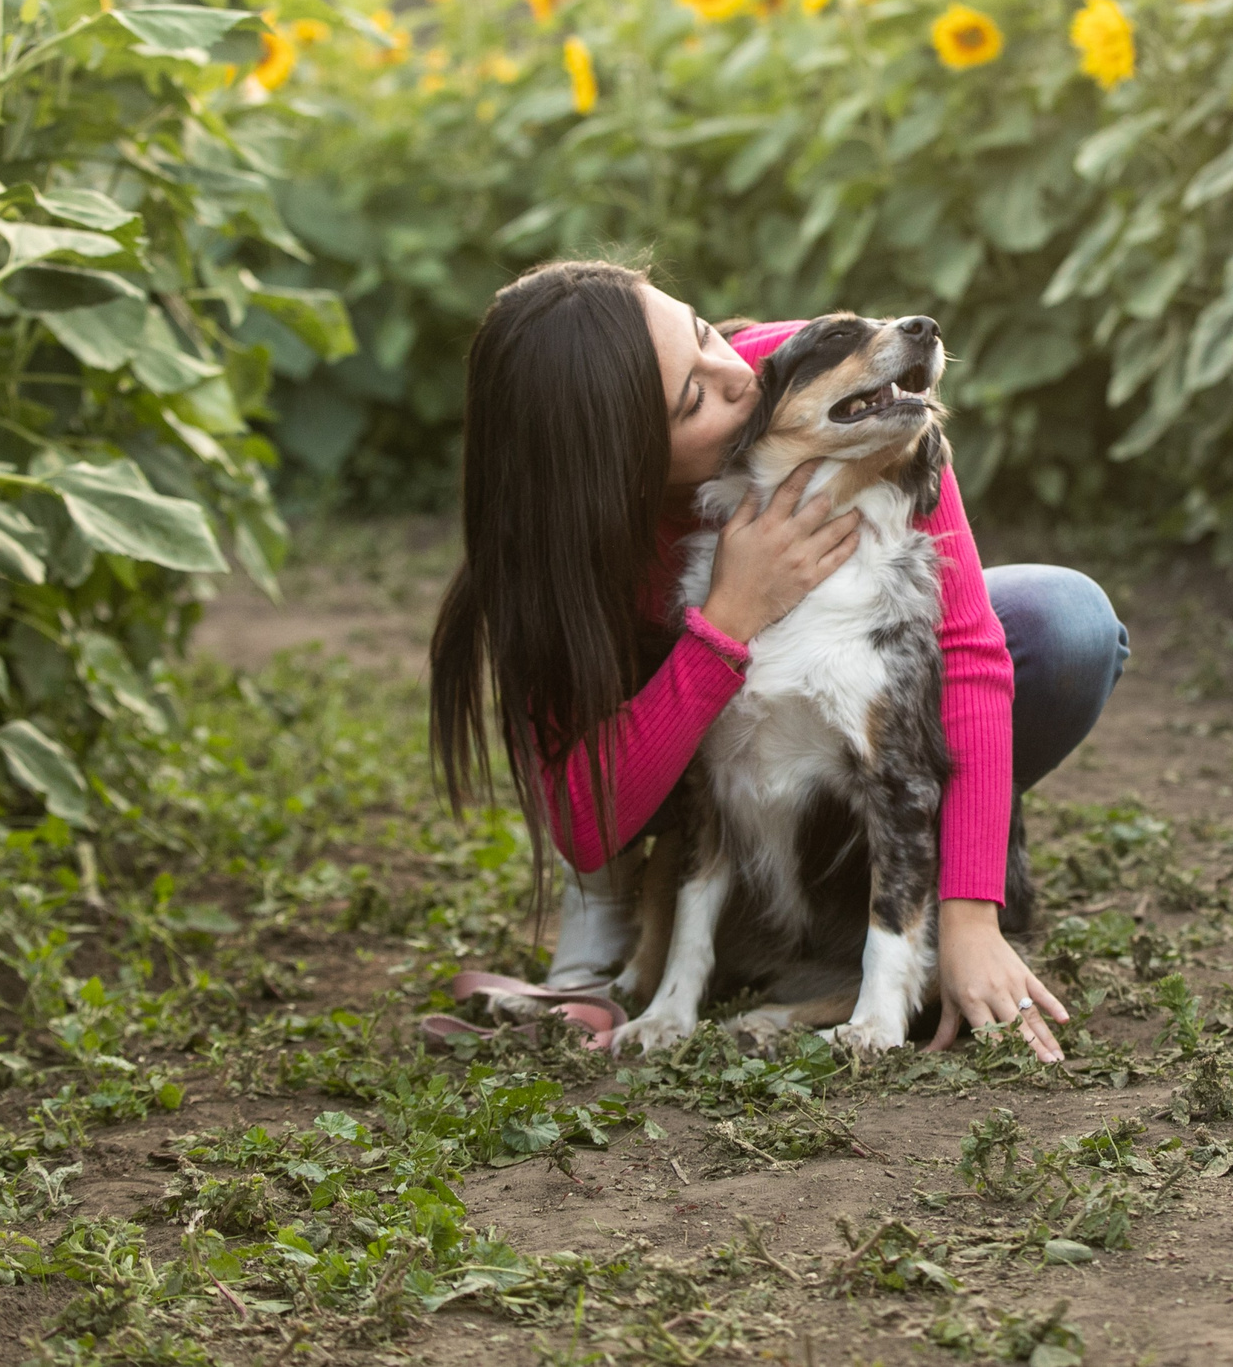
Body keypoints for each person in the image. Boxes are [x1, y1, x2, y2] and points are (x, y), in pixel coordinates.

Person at [429, 259, 1126, 1062]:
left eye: (702, 332)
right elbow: (585, 815)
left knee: (1061, 624)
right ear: (616, 463)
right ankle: (615, 916)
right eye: (694, 397)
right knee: (630, 750)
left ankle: (869, 886)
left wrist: (971, 914)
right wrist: (730, 617)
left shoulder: (816, 383)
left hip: (841, 724)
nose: (739, 380)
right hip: (675, 758)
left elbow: (969, 649)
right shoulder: (557, 550)